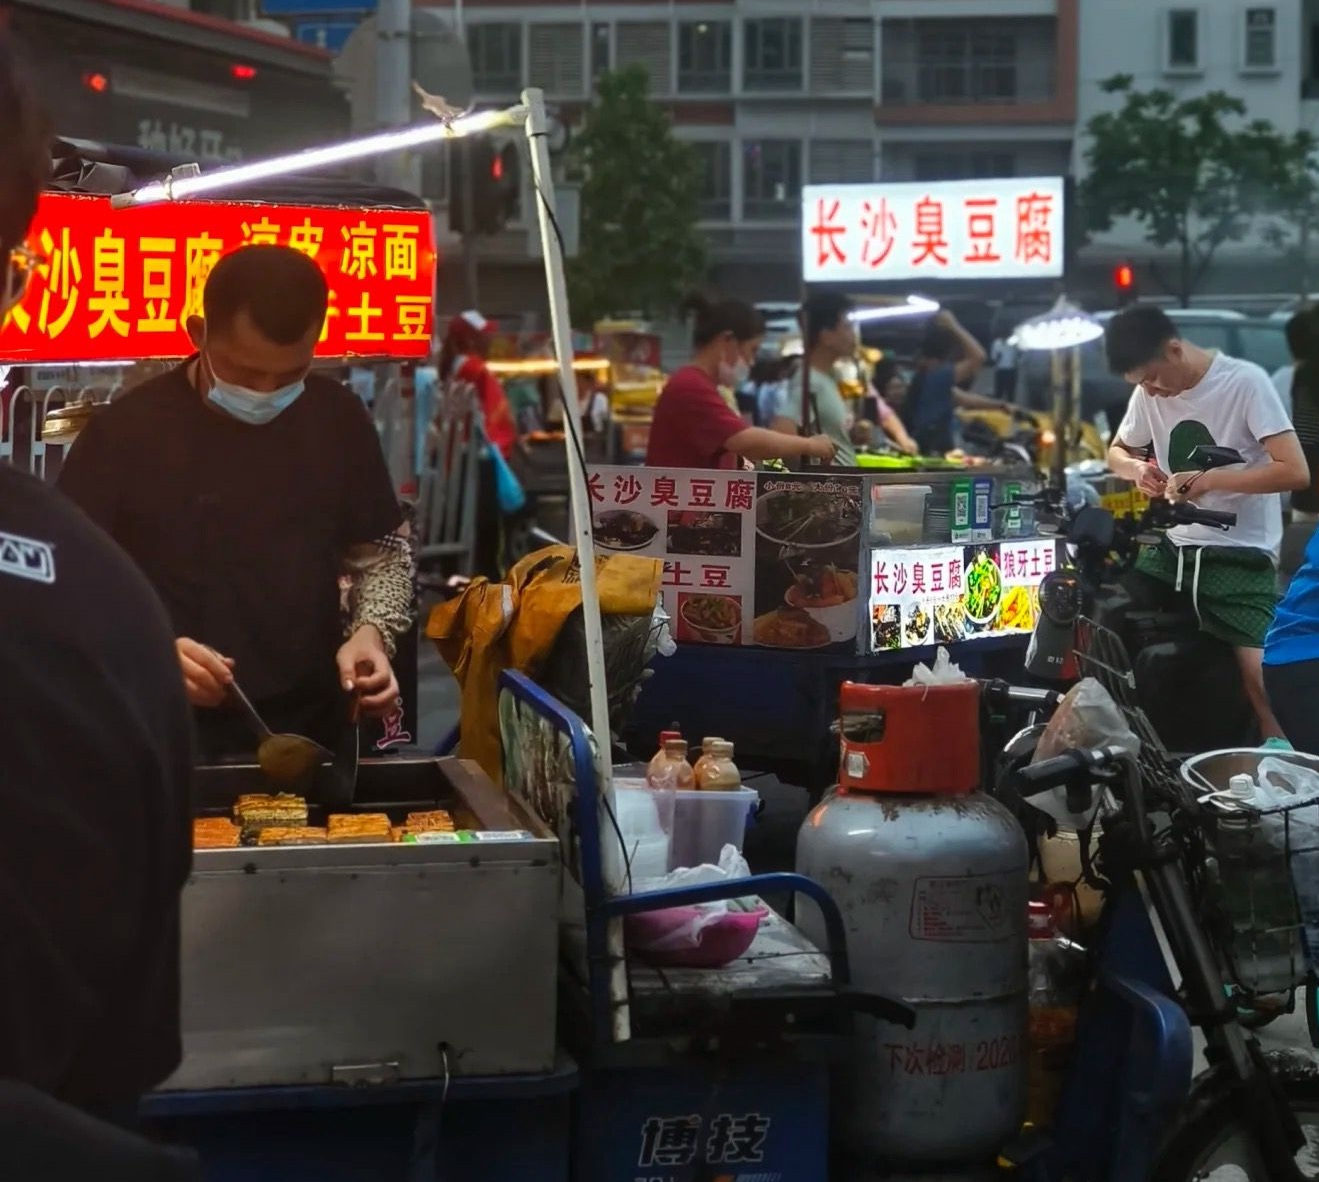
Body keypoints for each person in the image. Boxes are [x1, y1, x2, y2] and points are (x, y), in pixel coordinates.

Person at [0, 27, 197, 1164]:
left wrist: (368, 628)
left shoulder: (112, 616)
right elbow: (117, 1074)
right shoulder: (106, 608)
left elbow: (378, 548)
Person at [59, 245, 415, 760]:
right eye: (245, 373)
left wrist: (371, 633)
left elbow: (381, 557)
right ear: (199, 333)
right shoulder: (125, 434)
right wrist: (142, 651)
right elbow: (65, 585)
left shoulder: (338, 420)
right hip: (158, 726)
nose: (266, 391)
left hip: (310, 726)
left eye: (289, 375)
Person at [1104, 304, 1310, 742]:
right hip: (1174, 550)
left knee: (1261, 680)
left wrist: (1210, 480)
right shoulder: (1147, 393)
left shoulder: (1245, 382)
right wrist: (1137, 470)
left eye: (1152, 379)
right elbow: (1116, 452)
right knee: (1107, 616)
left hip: (1240, 555)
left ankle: (1285, 774)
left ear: (1175, 350)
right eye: (1140, 384)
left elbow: (1296, 472)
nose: (1150, 392)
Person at [646, 295, 836, 469]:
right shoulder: (690, 386)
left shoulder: (703, 385)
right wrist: (809, 445)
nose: (752, 362)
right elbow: (744, 440)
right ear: (727, 340)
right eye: (752, 350)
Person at [434, 310, 519, 578]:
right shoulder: (475, 369)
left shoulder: (450, 366)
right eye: (484, 336)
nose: (490, 341)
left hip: (455, 461)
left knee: (460, 525)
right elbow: (499, 417)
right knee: (489, 539)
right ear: (470, 340)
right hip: (480, 460)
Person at [771, 291, 861, 465]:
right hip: (831, 488)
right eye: (847, 327)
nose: (853, 335)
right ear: (825, 335)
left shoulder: (827, 378)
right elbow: (783, 430)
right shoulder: (810, 382)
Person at [902, 311, 1002, 454]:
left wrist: (1001, 405)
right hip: (933, 451)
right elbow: (979, 356)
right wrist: (954, 326)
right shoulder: (937, 376)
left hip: (925, 448)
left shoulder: (926, 379)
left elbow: (962, 398)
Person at [990, 333, 1020, 401]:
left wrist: (1017, 361)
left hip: (1012, 371)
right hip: (1000, 371)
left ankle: (1011, 408)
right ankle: (997, 409)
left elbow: (1020, 355)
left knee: (1011, 394)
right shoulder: (996, 343)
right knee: (998, 393)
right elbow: (993, 358)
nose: (1005, 335)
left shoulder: (1015, 343)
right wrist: (997, 357)